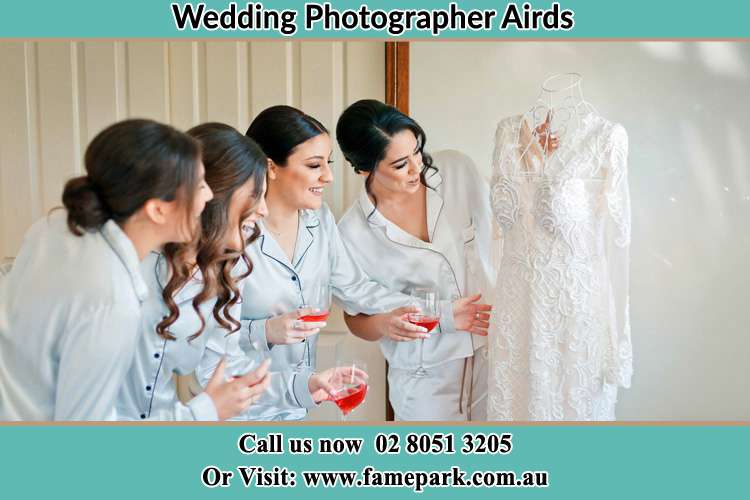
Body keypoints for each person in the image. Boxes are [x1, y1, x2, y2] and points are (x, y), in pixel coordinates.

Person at [196, 105, 414, 421]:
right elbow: (209, 340)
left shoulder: (320, 220)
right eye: (314, 165)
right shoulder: (228, 236)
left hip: (297, 403)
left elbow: (355, 288)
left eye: (328, 163)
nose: (328, 176)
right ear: (270, 167)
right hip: (239, 413)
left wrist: (435, 312)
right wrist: (265, 330)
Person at [0, 119, 209, 420]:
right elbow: (87, 443)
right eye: (200, 185)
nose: (209, 196)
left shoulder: (54, 227)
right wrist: (203, 412)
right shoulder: (112, 302)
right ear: (157, 209)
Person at [336, 99, 494, 420]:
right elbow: (355, 319)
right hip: (424, 377)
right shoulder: (351, 234)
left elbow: (512, 223)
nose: (416, 169)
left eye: (417, 152)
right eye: (399, 164)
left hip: (489, 355)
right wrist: (382, 322)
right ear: (364, 167)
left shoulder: (457, 172)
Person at [116, 123, 271, 421]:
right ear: (211, 193)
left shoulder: (224, 269)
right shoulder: (131, 263)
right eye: (255, 195)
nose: (263, 209)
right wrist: (204, 413)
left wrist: (300, 385)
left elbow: (221, 366)